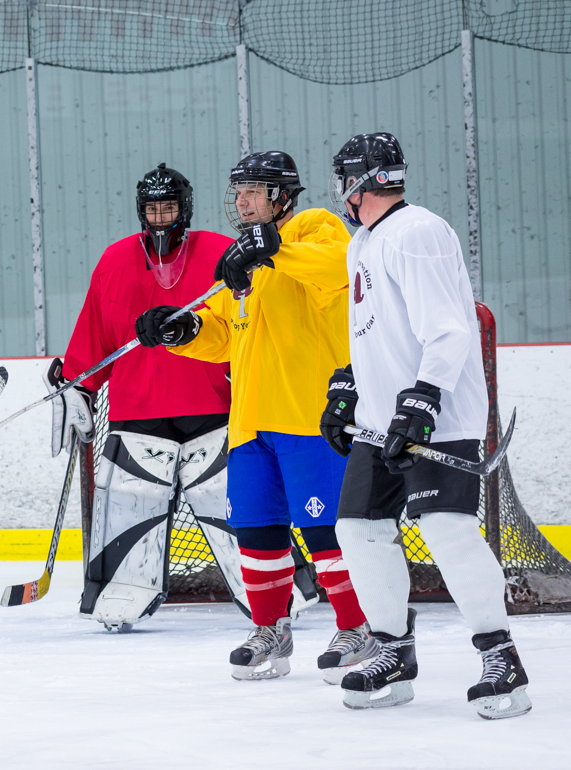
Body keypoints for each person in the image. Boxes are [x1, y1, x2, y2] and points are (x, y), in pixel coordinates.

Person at [137, 152, 373, 683]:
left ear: (282, 196)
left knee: (325, 531)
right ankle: (272, 629)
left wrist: (273, 249)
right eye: (237, 191)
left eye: (253, 191)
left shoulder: (313, 228)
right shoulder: (240, 263)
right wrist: (181, 332)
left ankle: (357, 628)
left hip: (308, 419)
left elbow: (339, 267)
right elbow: (221, 333)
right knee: (256, 531)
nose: (241, 201)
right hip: (249, 424)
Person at [322, 132, 530, 718]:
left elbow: (449, 329)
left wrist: (425, 399)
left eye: (343, 179)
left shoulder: (420, 232)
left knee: (446, 530)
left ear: (357, 181)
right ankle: (393, 651)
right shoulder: (361, 242)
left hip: (435, 414)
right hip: (380, 419)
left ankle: (502, 657)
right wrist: (348, 384)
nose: (341, 190)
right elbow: (378, 330)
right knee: (358, 531)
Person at [60, 163, 239, 632]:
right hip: (137, 413)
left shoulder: (223, 254)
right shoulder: (115, 260)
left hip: (215, 409)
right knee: (129, 506)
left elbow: (251, 326)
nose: (161, 218)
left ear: (186, 208)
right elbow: (94, 336)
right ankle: (121, 593)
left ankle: (276, 588)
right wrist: (79, 385)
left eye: (169, 208)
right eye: (153, 209)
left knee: (235, 507)